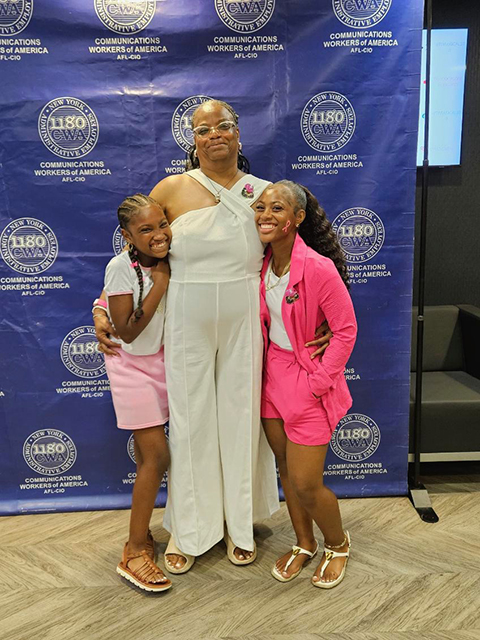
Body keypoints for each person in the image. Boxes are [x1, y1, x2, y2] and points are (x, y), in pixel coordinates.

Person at [93, 100, 332, 572]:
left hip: (246, 314)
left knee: (241, 419)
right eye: (203, 129)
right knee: (190, 421)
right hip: (186, 312)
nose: (214, 134)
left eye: (223, 126)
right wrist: (103, 306)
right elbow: (138, 255)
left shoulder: (263, 192)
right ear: (193, 139)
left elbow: (304, 253)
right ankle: (189, 530)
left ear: (239, 133)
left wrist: (321, 316)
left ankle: (238, 526)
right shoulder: (170, 189)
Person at [254, 180, 357, 588]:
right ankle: (304, 542)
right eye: (261, 207)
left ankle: (338, 544)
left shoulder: (317, 267)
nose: (266, 215)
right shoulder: (261, 261)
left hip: (306, 382)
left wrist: (317, 384)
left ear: (297, 218)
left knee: (307, 483)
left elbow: (345, 331)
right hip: (271, 379)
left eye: (277, 208)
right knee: (285, 469)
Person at [101, 193, 172, 591]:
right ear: (127, 235)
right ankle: (133, 551)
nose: (159, 234)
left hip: (165, 362)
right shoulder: (120, 266)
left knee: (153, 456)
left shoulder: (172, 257)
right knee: (157, 456)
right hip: (131, 367)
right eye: (146, 229)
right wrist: (160, 285)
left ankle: (145, 535)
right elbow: (126, 331)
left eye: (162, 224)